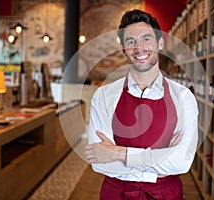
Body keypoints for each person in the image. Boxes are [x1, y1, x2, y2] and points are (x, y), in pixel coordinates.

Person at [85, 9, 198, 200]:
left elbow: (181, 162)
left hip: (166, 195)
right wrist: (160, 160)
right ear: (123, 50)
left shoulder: (183, 97)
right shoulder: (104, 96)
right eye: (130, 42)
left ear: (160, 43)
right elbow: (100, 161)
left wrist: (118, 153)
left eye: (146, 39)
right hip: (117, 195)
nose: (139, 48)